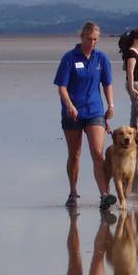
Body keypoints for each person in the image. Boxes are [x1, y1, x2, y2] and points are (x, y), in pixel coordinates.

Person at [53, 21, 116, 210]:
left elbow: (107, 84)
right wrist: (69, 105)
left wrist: (111, 105)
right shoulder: (69, 58)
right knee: (75, 154)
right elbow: (61, 87)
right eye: (89, 39)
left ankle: (104, 194)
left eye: (96, 39)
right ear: (81, 37)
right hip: (73, 113)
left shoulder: (101, 58)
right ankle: (73, 192)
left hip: (95, 111)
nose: (93, 43)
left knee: (98, 153)